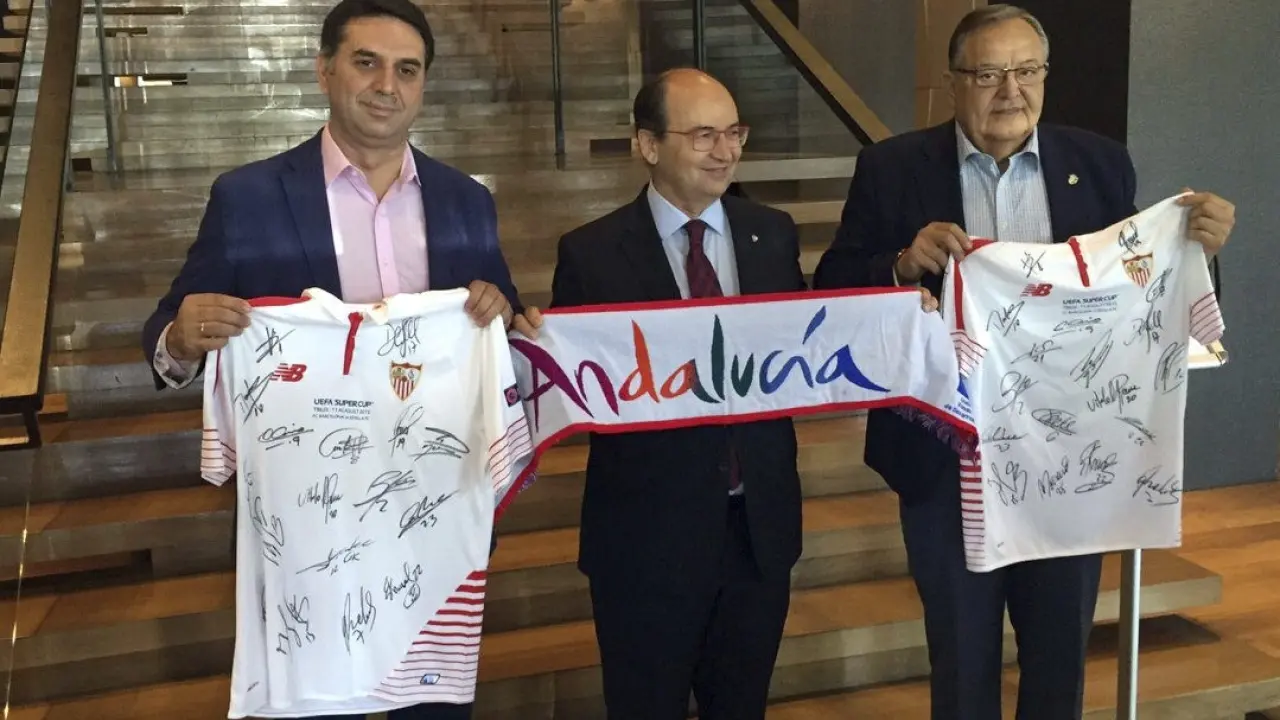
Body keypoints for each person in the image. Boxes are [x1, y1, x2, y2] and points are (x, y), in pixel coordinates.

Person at [813, 5, 1235, 720]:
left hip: (1071, 457)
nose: (1010, 90)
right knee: (962, 658)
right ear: (953, 81)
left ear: (1045, 75)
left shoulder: (1099, 164)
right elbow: (833, 289)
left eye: (1027, 70)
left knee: (1059, 655)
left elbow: (1142, 285)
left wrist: (1197, 250)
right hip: (946, 454)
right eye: (988, 74)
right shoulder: (891, 168)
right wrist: (899, 264)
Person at [141, 0, 539, 717]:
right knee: (314, 701)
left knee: (433, 703)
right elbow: (169, 328)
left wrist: (502, 311)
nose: (387, 85)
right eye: (366, 63)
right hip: (308, 517)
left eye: (407, 70)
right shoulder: (248, 197)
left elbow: (502, 314)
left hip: (434, 504)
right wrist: (180, 336)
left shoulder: (466, 200)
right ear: (324, 70)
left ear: (424, 84)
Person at [550, 69, 805, 720]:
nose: (725, 151)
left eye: (734, 133)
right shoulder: (591, 255)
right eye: (703, 135)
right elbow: (573, 390)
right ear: (648, 144)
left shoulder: (773, 234)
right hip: (645, 544)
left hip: (756, 534)